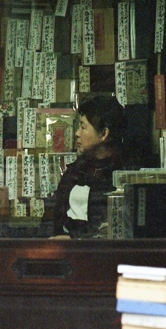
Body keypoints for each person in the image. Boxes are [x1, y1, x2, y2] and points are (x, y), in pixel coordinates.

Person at [53, 94, 127, 238]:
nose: (77, 133)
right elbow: (56, 217)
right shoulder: (75, 170)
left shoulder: (123, 173)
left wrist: (76, 240)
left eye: (83, 127)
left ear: (104, 134)